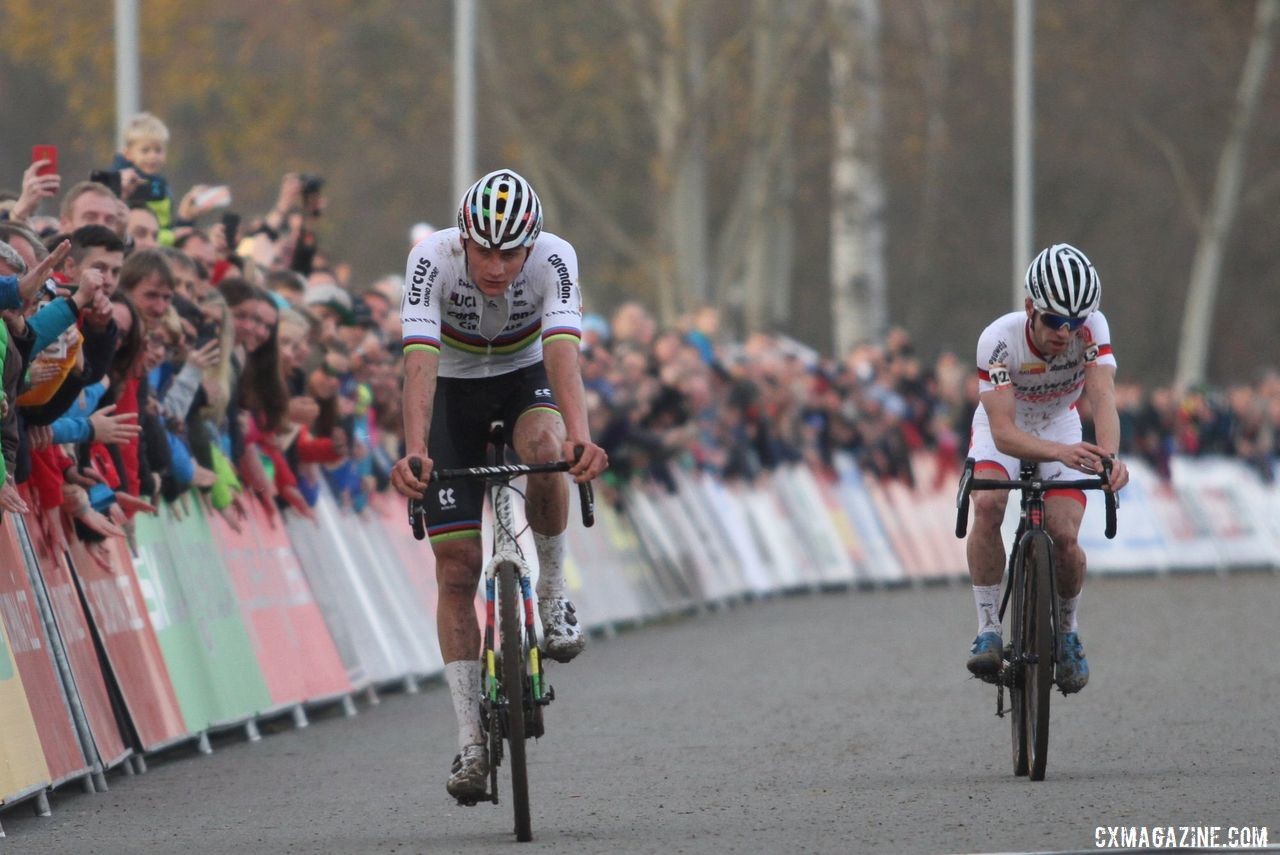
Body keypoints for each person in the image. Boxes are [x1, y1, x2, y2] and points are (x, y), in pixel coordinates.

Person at [389, 169, 608, 802]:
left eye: (511, 252)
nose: (497, 264)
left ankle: (553, 595)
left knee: (545, 447)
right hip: (451, 392)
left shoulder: (555, 257)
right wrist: (417, 450)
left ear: (532, 243)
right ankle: (470, 745)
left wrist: (580, 437)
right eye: (484, 250)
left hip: (522, 378)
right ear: (464, 237)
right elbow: (420, 360)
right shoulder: (430, 258)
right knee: (456, 569)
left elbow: (564, 351)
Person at [963, 243, 1130, 694]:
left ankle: (1069, 632)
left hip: (1060, 422)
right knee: (989, 505)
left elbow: (1102, 398)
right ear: (1030, 308)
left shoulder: (1091, 329)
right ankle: (988, 627)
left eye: (1074, 324)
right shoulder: (998, 340)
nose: (1065, 333)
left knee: (1066, 537)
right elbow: (1001, 433)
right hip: (1007, 425)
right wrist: (1059, 453)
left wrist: (1109, 456)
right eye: (1055, 321)